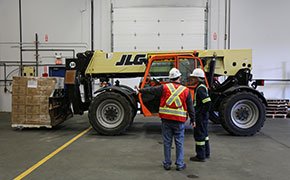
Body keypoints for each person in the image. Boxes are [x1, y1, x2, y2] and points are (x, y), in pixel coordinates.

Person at [136, 68, 195, 171]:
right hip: (179, 121)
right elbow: (190, 107)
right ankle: (180, 164)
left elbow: (151, 90)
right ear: (179, 78)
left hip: (166, 120)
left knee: (167, 142)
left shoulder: (164, 87)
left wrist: (140, 90)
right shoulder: (185, 90)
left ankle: (167, 164)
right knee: (179, 143)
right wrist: (193, 120)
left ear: (170, 78)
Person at [189, 68, 211, 162]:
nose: (192, 79)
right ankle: (206, 153)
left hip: (200, 116)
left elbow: (207, 102)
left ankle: (200, 156)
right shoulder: (202, 86)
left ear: (197, 78)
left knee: (199, 136)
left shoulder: (200, 88)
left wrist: (201, 113)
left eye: (193, 78)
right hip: (203, 116)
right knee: (204, 134)